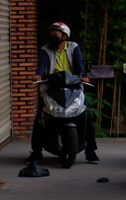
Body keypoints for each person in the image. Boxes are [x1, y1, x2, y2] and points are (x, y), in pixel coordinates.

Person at [30, 21, 100, 165]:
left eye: (55, 34)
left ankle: (90, 151)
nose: (52, 37)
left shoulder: (73, 47)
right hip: (51, 86)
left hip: (73, 86)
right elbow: (42, 64)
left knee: (85, 115)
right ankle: (36, 152)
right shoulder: (45, 49)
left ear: (64, 36)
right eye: (50, 34)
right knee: (40, 117)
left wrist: (83, 74)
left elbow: (79, 62)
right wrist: (38, 74)